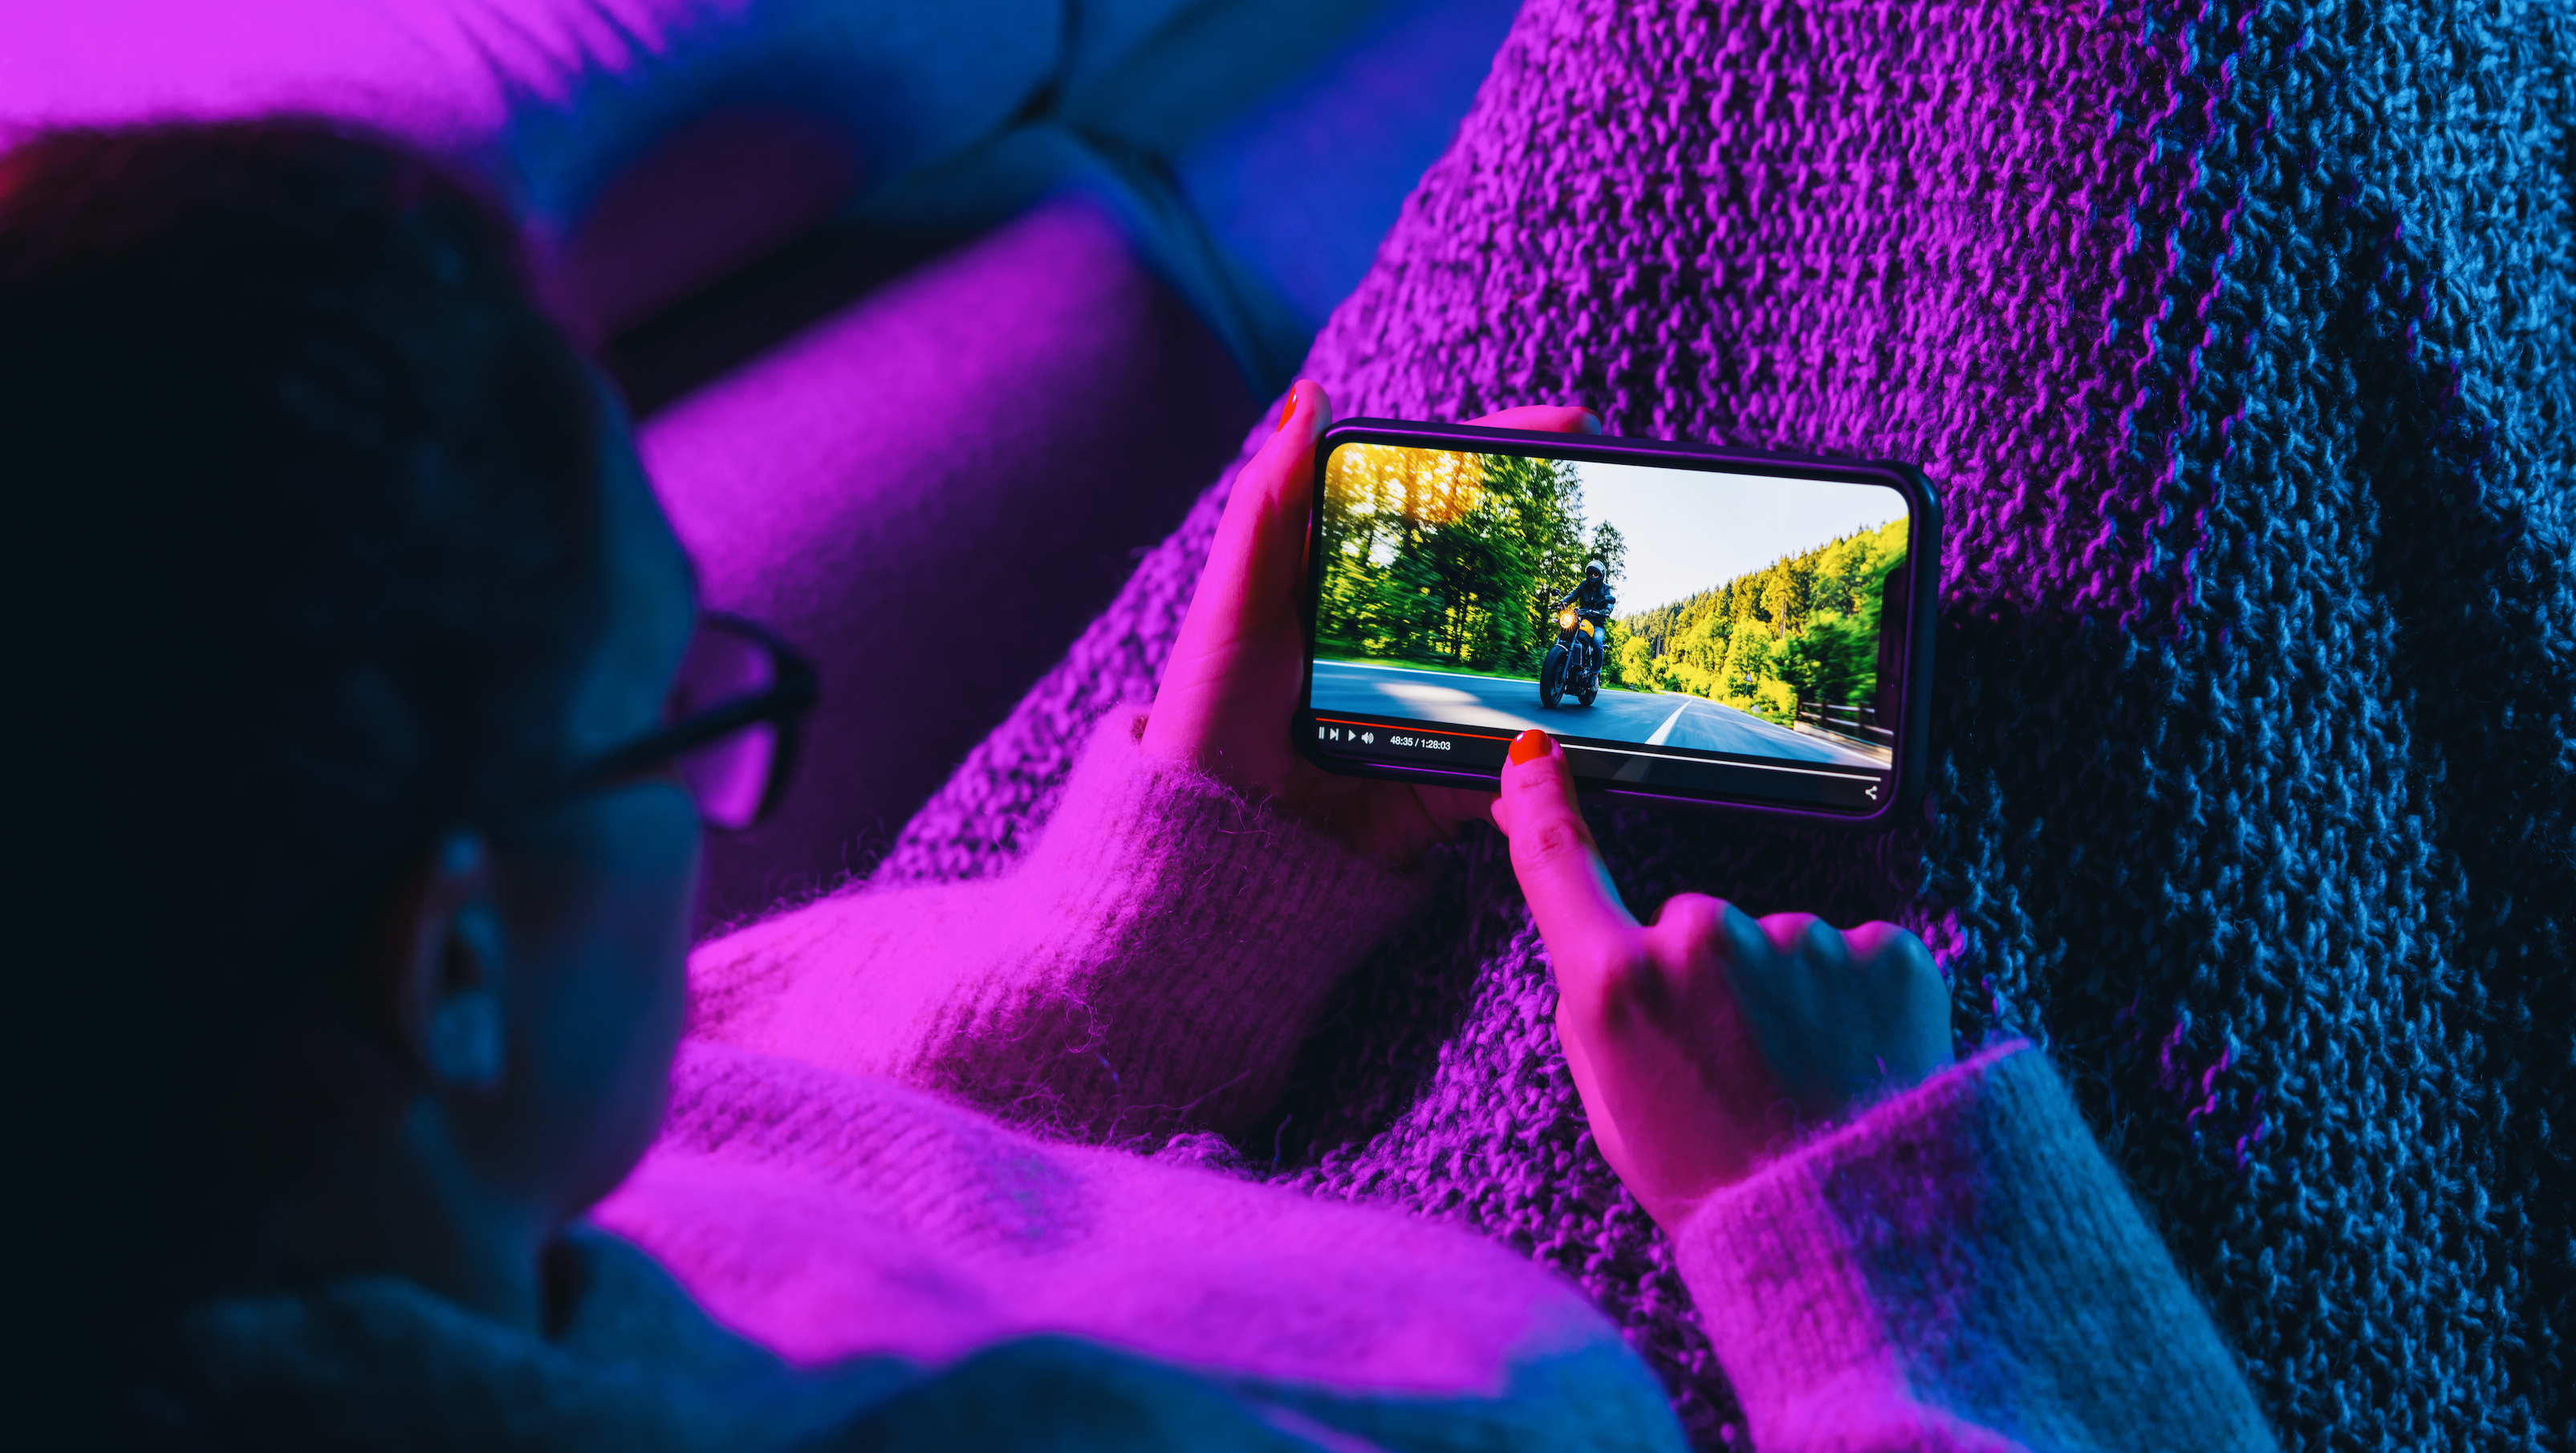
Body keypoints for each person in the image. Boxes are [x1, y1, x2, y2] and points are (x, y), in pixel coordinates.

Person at [6, 120, 2273, 1451]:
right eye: (675, 707)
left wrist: (1180, 893)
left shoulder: (215, 1152)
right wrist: (1873, 1216)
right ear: (455, 963)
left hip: (1232, 1138)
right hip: (1805, 1333)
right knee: (2218, 228)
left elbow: (726, 1129)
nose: (718, 803)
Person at [1553, 562, 1617, 681]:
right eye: (1591, 573)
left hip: (1597, 624)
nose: (1593, 576)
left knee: (1598, 641)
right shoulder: (1583, 585)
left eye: (1596, 574)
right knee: (1565, 631)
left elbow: (1609, 603)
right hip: (1581, 620)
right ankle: (1556, 663)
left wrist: (1607, 610)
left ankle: (1595, 675)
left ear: (1601, 575)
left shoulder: (1605, 589)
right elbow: (1573, 595)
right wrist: (1562, 602)